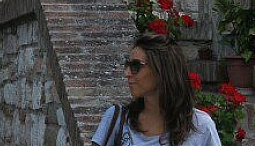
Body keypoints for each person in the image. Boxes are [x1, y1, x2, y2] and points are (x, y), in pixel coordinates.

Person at [91, 34, 221, 146]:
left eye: (136, 66)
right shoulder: (117, 118)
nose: (127, 73)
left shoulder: (200, 126)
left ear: (161, 70)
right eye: (128, 65)